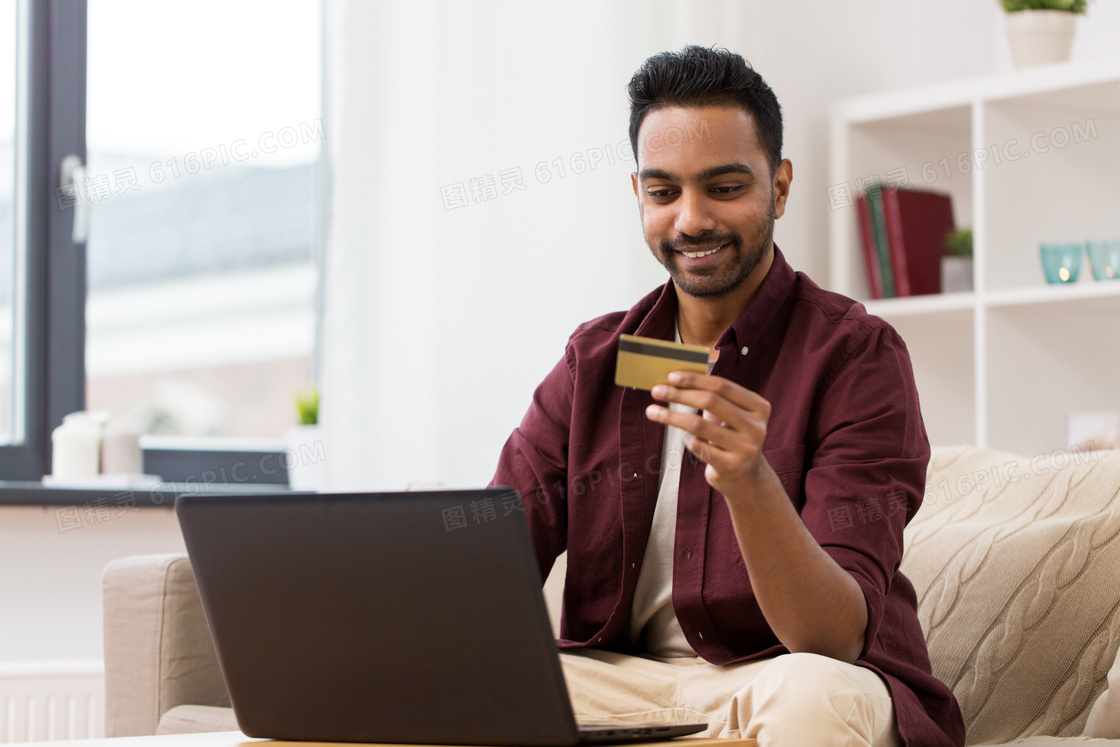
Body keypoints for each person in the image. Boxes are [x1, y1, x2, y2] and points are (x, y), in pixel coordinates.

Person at [490, 45, 965, 747]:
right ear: (639, 195)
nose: (691, 220)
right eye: (664, 192)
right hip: (629, 681)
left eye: (723, 187)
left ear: (778, 187)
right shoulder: (595, 360)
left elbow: (831, 635)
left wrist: (749, 483)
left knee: (814, 698)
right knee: (455, 680)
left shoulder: (855, 356)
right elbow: (498, 560)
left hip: (787, 676)